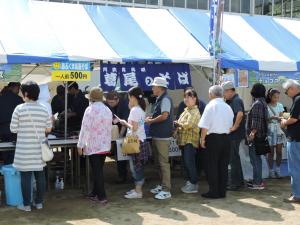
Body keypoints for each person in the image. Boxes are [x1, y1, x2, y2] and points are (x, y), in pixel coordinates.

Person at [10, 81, 52, 212]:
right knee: (40, 175)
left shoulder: (19, 109)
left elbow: (13, 129)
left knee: (25, 177)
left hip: (24, 149)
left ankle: (27, 205)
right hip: (39, 149)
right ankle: (39, 203)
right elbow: (48, 129)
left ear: (26, 93)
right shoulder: (44, 109)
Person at [77, 87, 112, 205]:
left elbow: (84, 128)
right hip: (104, 144)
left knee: (97, 171)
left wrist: (80, 144)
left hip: (93, 145)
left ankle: (102, 196)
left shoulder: (90, 110)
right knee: (98, 170)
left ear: (91, 98)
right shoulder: (107, 110)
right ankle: (94, 192)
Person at [198, 85, 233, 199]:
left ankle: (214, 191)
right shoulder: (227, 106)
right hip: (226, 138)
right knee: (223, 166)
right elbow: (230, 124)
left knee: (212, 165)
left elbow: (204, 126)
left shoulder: (211, 106)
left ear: (211, 94)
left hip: (213, 138)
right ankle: (222, 191)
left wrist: (202, 139)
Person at [117, 87, 150, 199]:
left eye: (129, 97)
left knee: (135, 168)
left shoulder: (135, 110)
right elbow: (140, 125)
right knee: (137, 166)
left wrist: (124, 123)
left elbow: (134, 128)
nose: (128, 99)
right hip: (140, 140)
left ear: (132, 97)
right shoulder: (140, 109)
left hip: (135, 141)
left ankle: (138, 191)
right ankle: (137, 189)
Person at [145, 77, 174, 200]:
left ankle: (167, 189)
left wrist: (151, 121)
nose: (152, 88)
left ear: (160, 88)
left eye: (154, 86)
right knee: (159, 162)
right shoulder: (160, 99)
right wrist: (151, 118)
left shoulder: (165, 99)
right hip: (158, 135)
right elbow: (161, 115)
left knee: (163, 163)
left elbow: (164, 116)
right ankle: (163, 186)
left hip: (162, 136)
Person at [175, 89, 201, 194]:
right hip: (184, 141)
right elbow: (181, 123)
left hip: (190, 142)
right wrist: (177, 126)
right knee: (186, 163)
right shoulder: (187, 110)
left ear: (194, 99)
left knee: (189, 163)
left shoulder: (195, 111)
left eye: (188, 97)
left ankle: (194, 184)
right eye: (185, 97)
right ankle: (191, 182)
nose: (186, 99)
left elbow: (188, 125)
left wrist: (178, 124)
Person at [222, 81, 245, 191]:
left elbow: (240, 114)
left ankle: (235, 183)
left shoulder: (236, 100)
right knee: (235, 158)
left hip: (235, 135)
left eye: (224, 92)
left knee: (233, 159)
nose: (224, 95)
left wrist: (234, 127)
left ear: (230, 90)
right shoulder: (232, 100)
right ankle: (239, 182)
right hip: (234, 135)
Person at [281, 79, 300, 203]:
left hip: (295, 138)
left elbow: (293, 119)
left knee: (295, 168)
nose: (286, 94)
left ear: (292, 88)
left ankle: (297, 194)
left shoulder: (298, 99)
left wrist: (283, 122)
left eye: (286, 91)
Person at [246, 83, 268, 190]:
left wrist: (252, 134)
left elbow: (256, 122)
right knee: (257, 159)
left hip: (256, 137)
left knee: (255, 159)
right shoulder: (263, 102)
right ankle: (257, 180)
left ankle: (257, 182)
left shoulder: (258, 104)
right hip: (260, 136)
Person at [105, 91, 130, 184]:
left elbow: (124, 123)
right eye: (108, 102)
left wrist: (119, 137)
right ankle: (121, 175)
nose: (110, 104)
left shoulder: (124, 106)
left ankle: (123, 176)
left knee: (122, 156)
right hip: (116, 132)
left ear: (117, 100)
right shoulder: (109, 106)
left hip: (125, 133)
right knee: (118, 155)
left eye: (112, 102)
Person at [0, 82, 23, 165]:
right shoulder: (18, 99)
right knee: (14, 153)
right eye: (18, 88)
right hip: (15, 131)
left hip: (2, 131)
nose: (19, 91)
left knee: (5, 153)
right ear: (14, 87)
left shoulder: (1, 98)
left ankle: (8, 170)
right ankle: (13, 171)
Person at [266, 88, 285, 179]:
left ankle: (277, 169)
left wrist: (278, 118)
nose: (276, 99)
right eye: (274, 97)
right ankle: (270, 170)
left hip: (278, 129)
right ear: (270, 96)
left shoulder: (280, 105)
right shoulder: (266, 106)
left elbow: (282, 117)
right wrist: (271, 118)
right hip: (270, 130)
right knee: (271, 152)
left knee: (279, 151)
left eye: (278, 97)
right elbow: (265, 119)